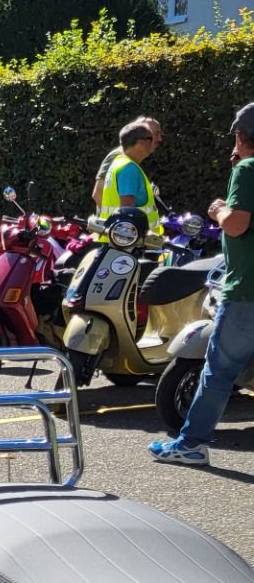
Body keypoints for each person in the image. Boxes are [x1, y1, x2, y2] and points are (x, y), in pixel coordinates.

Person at [151, 105, 254, 467]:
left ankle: (191, 444)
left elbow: (237, 224)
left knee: (218, 371)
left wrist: (219, 210)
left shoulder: (247, 169)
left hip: (246, 291)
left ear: (240, 136)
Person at [95, 119, 158, 230]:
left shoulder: (119, 162)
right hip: (132, 238)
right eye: (151, 138)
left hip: (116, 235)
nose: (155, 142)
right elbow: (127, 213)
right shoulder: (129, 169)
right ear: (140, 143)